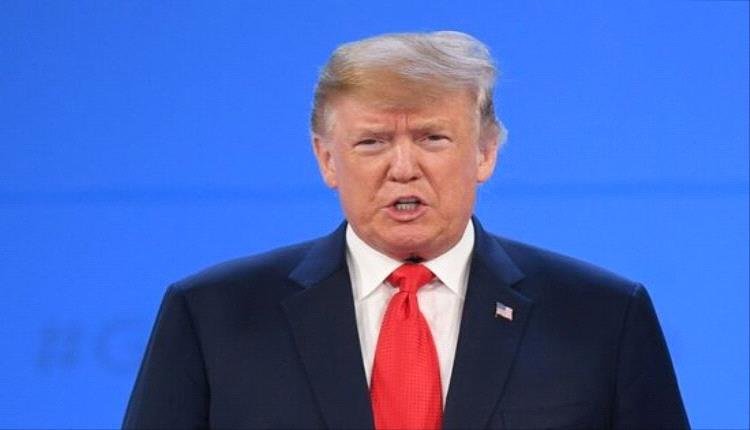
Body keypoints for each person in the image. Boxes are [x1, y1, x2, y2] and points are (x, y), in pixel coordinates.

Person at [123, 31, 689, 429]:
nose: (402, 168)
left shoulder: (602, 317)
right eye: (372, 142)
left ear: (486, 152)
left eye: (431, 138)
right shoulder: (213, 315)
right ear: (326, 159)